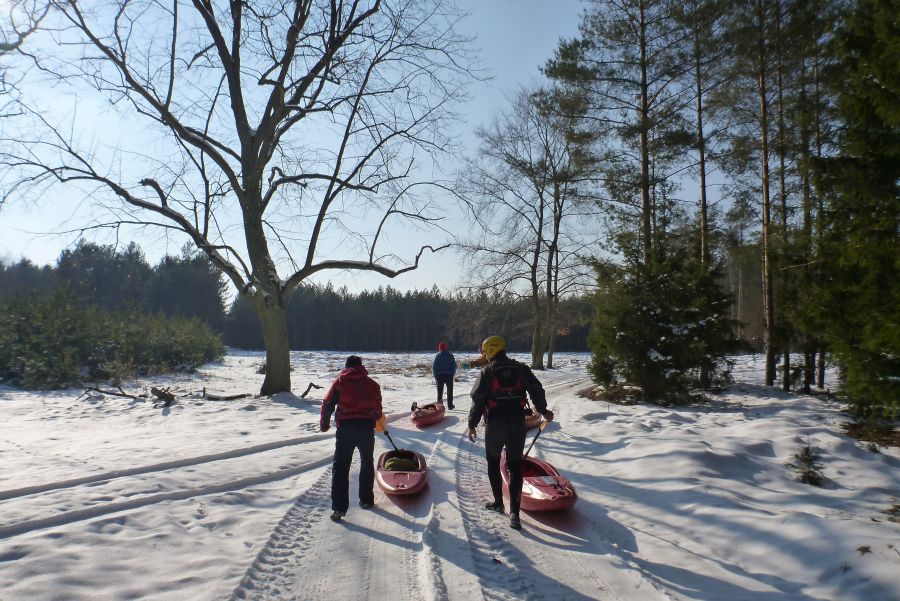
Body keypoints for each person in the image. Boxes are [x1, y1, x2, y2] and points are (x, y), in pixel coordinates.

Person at [467, 335, 554, 530]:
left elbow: (478, 400)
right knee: (515, 466)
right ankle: (515, 512)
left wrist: (472, 425)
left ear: (490, 351)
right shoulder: (522, 369)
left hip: (496, 424)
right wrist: (543, 410)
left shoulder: (487, 372)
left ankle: (499, 503)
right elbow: (536, 389)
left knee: (493, 461)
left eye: (484, 351)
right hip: (517, 422)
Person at [320, 355, 383, 522]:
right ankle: (366, 500)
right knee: (366, 463)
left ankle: (339, 509)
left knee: (340, 467)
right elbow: (378, 411)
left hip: (345, 429)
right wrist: (372, 416)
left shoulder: (340, 382)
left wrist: (324, 424)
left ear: (346, 366)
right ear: (361, 366)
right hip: (365, 429)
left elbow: (327, 404)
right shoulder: (373, 385)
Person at [431, 341, 457, 409]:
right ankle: (450, 405)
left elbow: (434, 367)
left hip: (439, 376)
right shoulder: (450, 355)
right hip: (448, 375)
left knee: (439, 392)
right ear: (446, 348)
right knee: (450, 391)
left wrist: (435, 376)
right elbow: (454, 366)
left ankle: (439, 406)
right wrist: (452, 374)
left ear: (439, 348)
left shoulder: (437, 356)